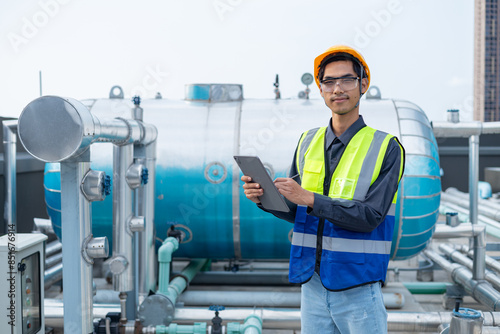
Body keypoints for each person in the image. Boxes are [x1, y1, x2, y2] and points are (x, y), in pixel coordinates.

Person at [241, 45, 405, 333]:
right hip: (313, 283)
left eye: (347, 80)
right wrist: (264, 199)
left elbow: (370, 217)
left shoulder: (386, 147)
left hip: (358, 285)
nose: (337, 88)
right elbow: (300, 212)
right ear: (320, 89)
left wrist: (310, 198)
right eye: (329, 81)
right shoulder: (308, 141)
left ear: (363, 84)